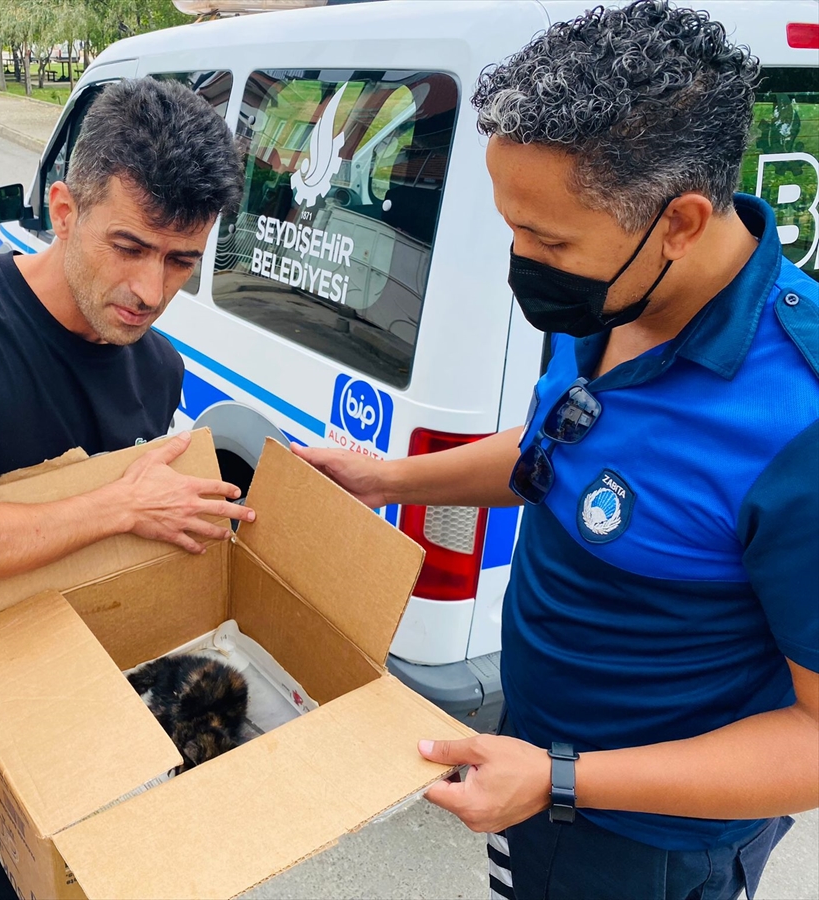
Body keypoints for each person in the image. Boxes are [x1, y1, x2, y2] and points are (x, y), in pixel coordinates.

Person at [293, 3, 818, 899]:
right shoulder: (619, 297)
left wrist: (565, 780)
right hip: (534, 776)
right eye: (511, 226)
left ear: (681, 222)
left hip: (648, 845)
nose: (521, 260)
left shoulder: (795, 428)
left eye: (547, 240)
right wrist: (389, 479)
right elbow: (559, 454)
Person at [0, 76, 249, 899]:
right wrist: (119, 504)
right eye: (130, 246)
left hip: (90, 723)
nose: (151, 291)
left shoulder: (157, 367)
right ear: (64, 211)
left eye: (182, 260)